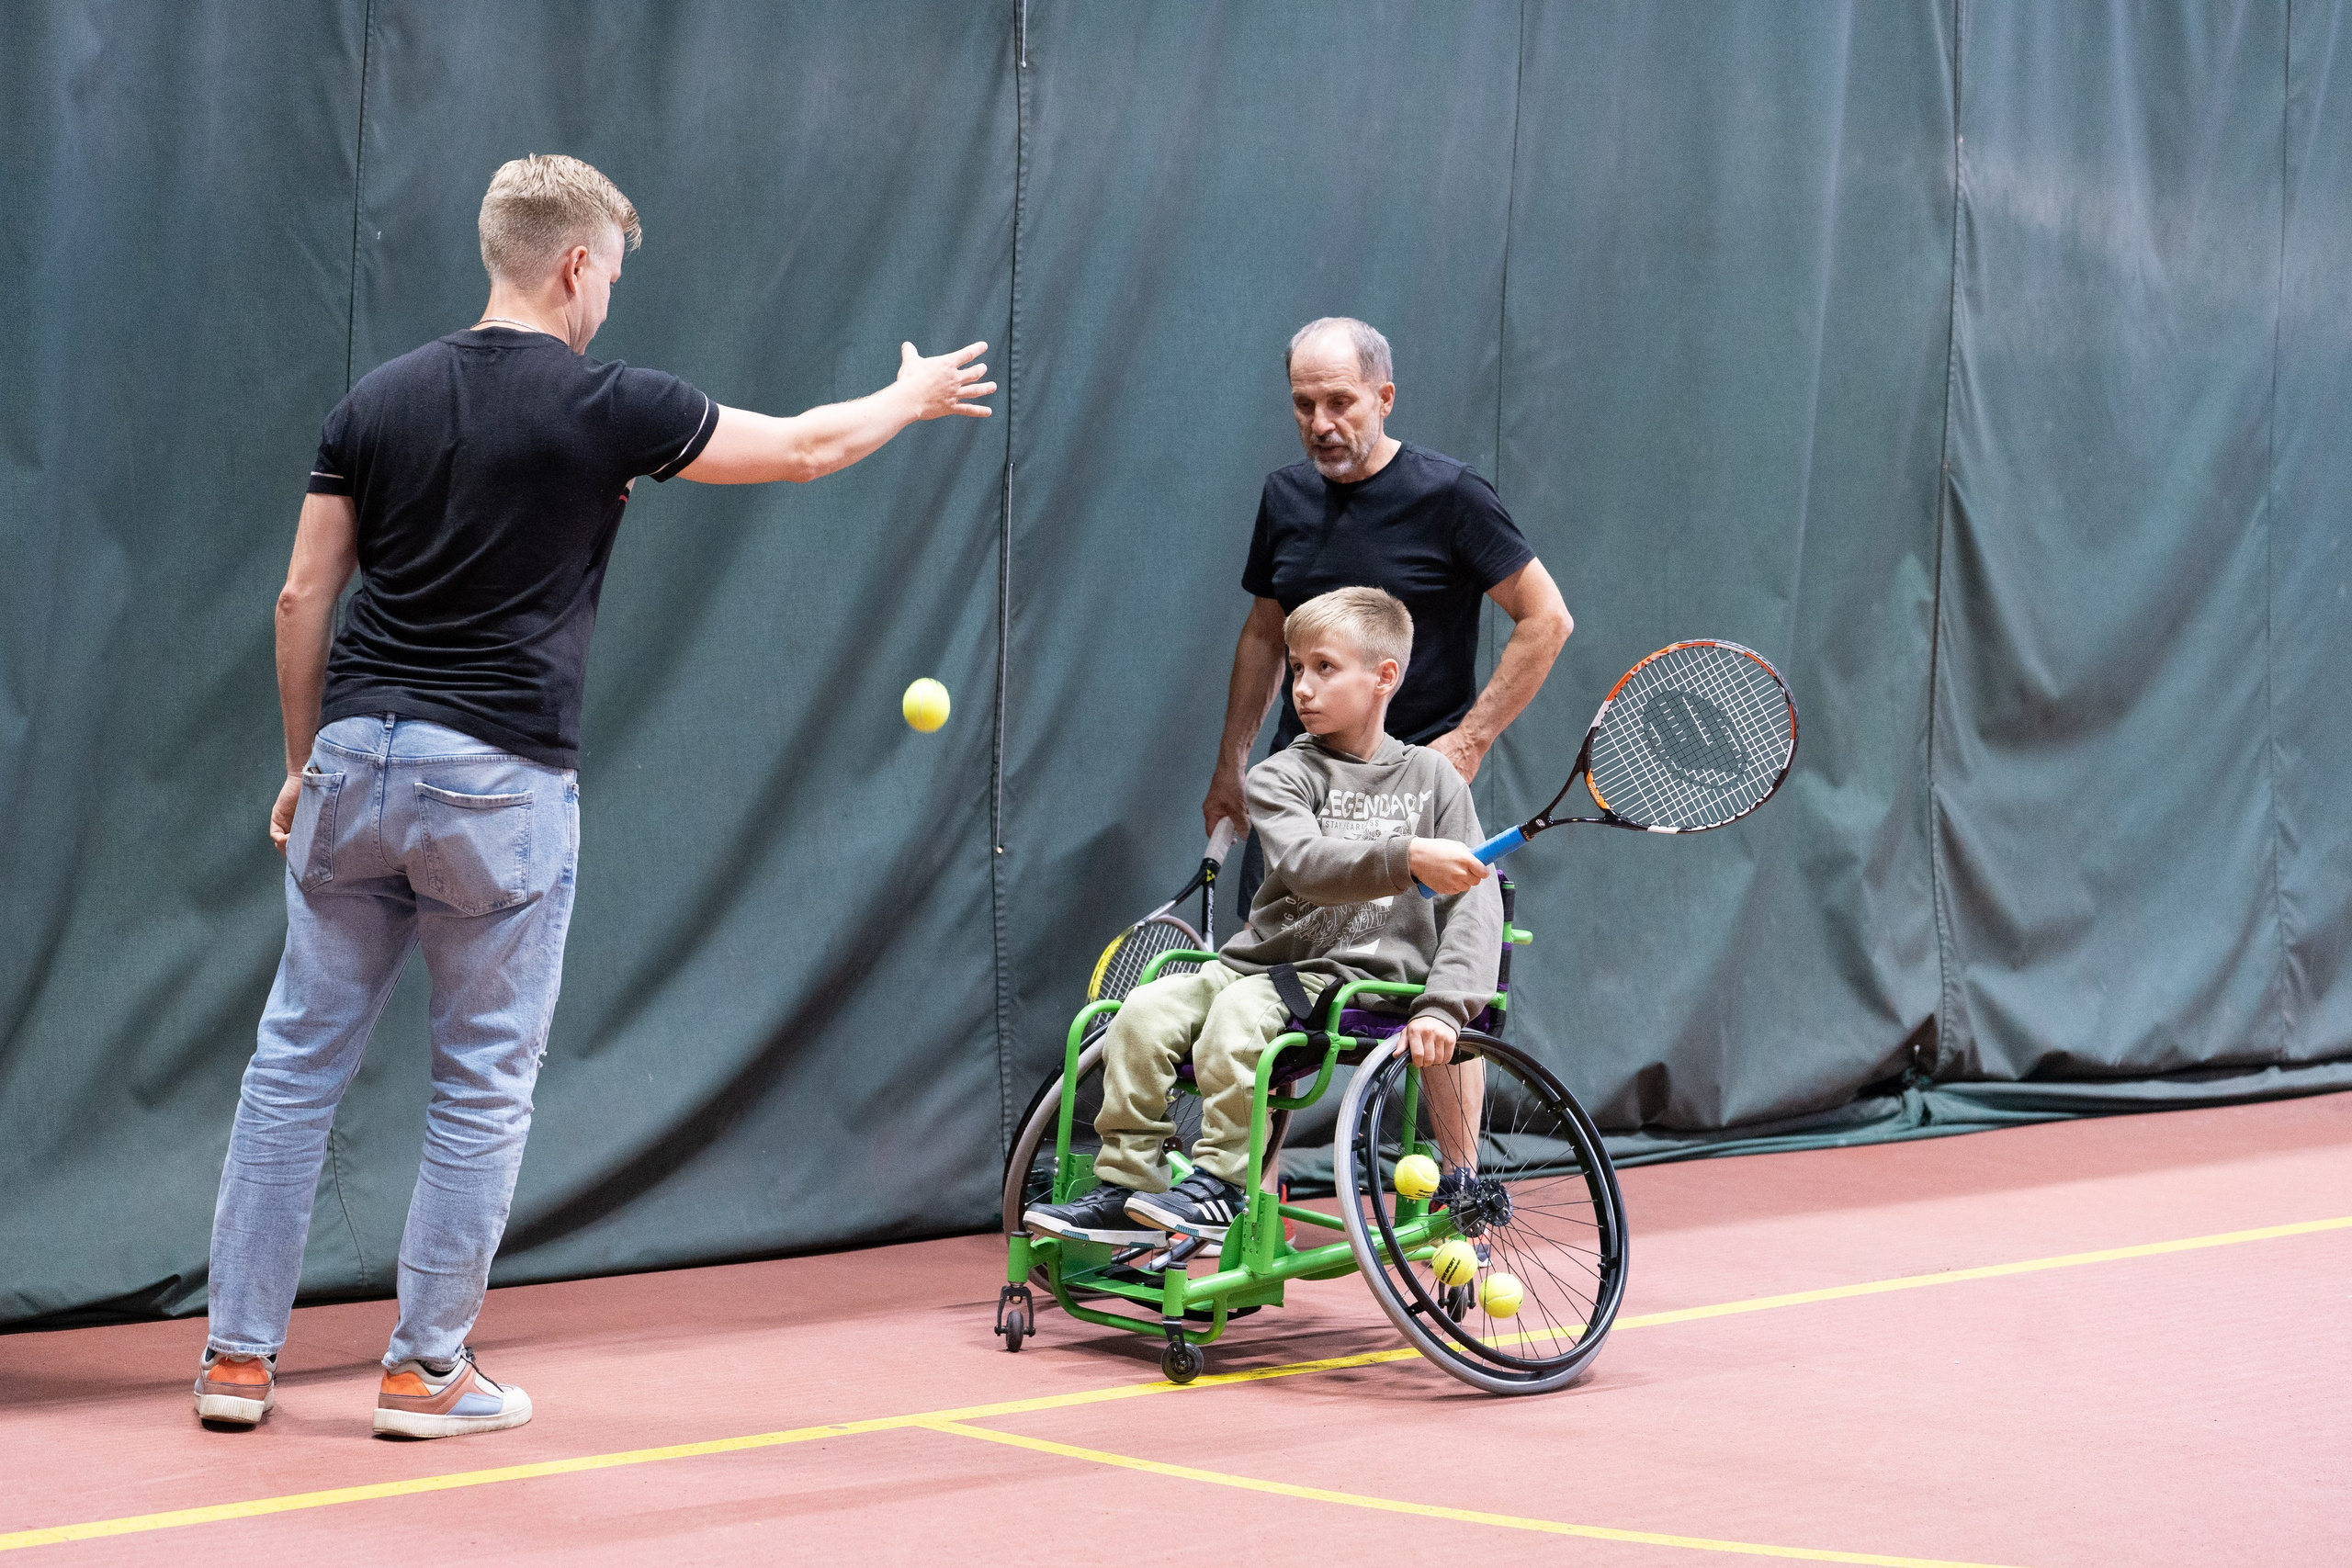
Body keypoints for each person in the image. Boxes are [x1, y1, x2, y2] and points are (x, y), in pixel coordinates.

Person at [193, 154, 993, 1438]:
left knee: (292, 1067)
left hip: (355, 758)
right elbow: (797, 451)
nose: (610, 298)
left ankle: (236, 1360)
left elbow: (301, 597)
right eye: (611, 273)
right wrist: (905, 396)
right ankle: (424, 1370)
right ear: (575, 263)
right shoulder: (613, 401)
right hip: (499, 782)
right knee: (481, 1085)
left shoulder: (375, 399)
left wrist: (303, 765)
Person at [1023, 587, 1499, 1244]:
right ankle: (1130, 1184)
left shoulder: (1435, 780)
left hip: (1346, 981)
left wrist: (1445, 1006)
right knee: (1141, 1012)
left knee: (1238, 1020)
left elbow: (1476, 902)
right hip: (1261, 961)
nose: (1301, 687)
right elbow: (1306, 864)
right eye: (1296, 667)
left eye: (1323, 668)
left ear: (1384, 676)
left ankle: (1219, 1184)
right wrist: (1409, 855)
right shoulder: (1280, 774)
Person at [1200, 318, 1573, 914]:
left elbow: (1548, 619)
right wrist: (1231, 762)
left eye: (1340, 402)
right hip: (1299, 802)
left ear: (1384, 398)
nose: (1321, 424)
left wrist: (1468, 743)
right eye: (1304, 404)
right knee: (1267, 995)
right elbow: (1266, 635)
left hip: (1412, 807)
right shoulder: (1283, 498)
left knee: (1388, 1004)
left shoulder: (1453, 496)